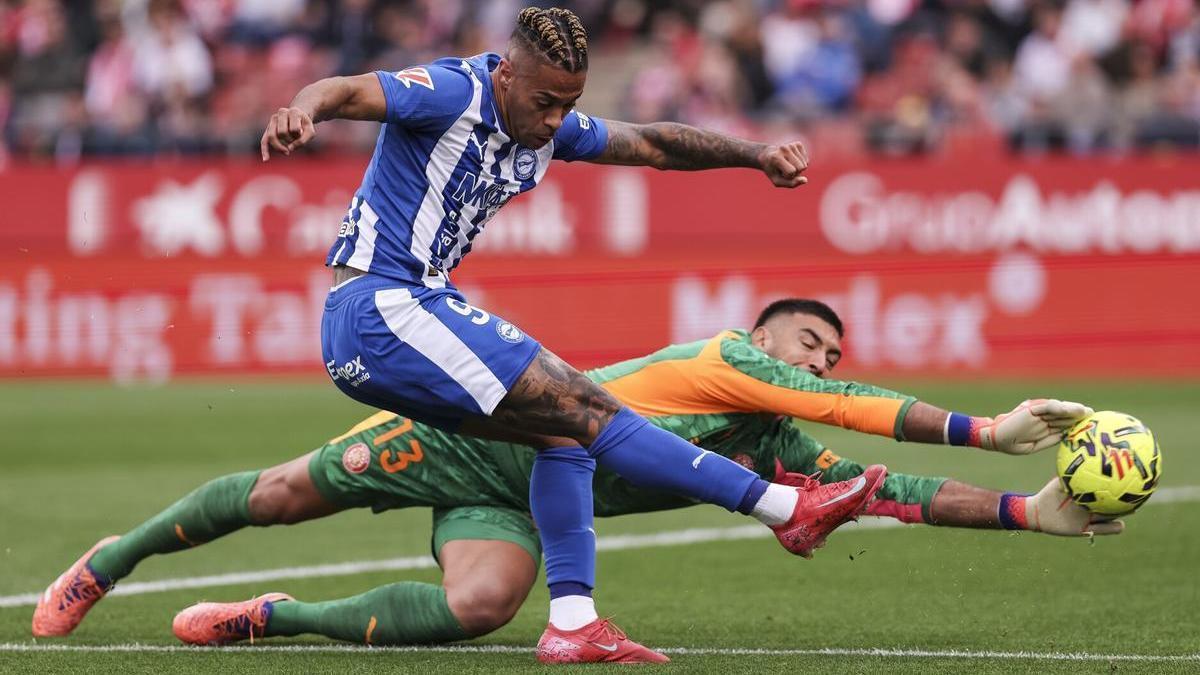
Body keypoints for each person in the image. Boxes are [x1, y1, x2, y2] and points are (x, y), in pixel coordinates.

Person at [257, 6, 878, 662]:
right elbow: (351, 89)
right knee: (585, 401)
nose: (555, 119)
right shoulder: (453, 91)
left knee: (564, 436)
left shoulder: (546, 126)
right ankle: (784, 508)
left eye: (568, 103)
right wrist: (302, 109)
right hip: (380, 305)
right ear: (505, 74)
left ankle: (573, 622)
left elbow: (654, 144)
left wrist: (755, 155)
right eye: (545, 101)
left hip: (410, 310)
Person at [33, 299, 1102, 658]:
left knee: (482, 608)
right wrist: (984, 427)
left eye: (830, 350)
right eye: (809, 338)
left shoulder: (779, 441)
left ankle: (269, 618)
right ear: (766, 330)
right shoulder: (723, 356)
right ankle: (109, 562)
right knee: (274, 497)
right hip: (466, 435)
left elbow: (893, 490)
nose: (820, 359)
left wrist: (1030, 514)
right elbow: (855, 408)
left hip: (514, 495)